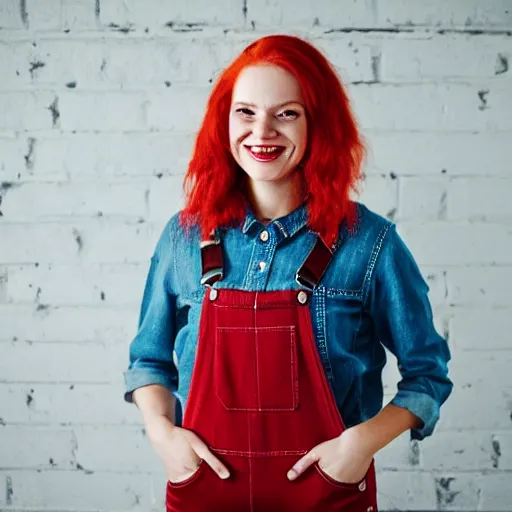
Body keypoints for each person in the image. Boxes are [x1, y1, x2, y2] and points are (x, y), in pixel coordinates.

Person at [123, 34, 452, 512]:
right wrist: (163, 436)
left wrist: (358, 446)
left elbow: (428, 375)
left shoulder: (370, 243)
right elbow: (148, 360)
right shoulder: (184, 236)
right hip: (206, 494)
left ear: (318, 124)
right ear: (224, 121)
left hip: (328, 494)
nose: (263, 131)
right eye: (246, 112)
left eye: (287, 113)